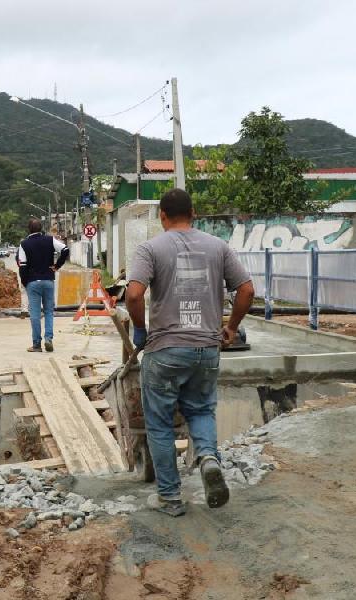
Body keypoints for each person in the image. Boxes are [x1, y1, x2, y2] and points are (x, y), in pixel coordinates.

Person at [126, 188, 255, 517]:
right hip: (207, 349)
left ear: (163, 217)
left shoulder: (150, 248)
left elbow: (134, 294)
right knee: (200, 411)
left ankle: (170, 498)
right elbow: (247, 289)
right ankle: (209, 458)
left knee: (159, 424)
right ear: (193, 213)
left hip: (165, 350)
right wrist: (230, 327)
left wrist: (140, 330)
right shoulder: (218, 247)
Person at [17, 218, 68, 352]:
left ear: (29, 229)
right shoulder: (50, 240)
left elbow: (22, 266)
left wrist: (25, 282)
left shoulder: (24, 244)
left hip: (32, 282)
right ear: (41, 228)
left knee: (34, 314)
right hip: (48, 281)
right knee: (49, 311)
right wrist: (57, 266)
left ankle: (36, 345)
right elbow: (65, 249)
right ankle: (48, 339)